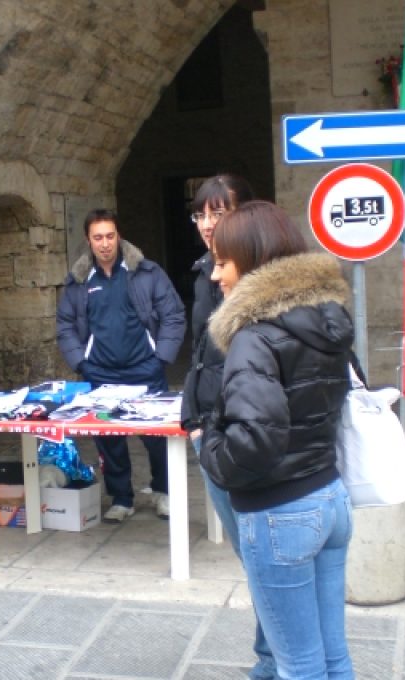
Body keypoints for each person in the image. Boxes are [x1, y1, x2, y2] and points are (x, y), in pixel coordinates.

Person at [200, 200, 355, 679]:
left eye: (222, 263)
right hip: (329, 499)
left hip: (280, 512)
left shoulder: (254, 334)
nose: (215, 276)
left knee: (300, 667)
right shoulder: (325, 319)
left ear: (250, 262)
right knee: (332, 658)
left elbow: (255, 439)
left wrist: (210, 451)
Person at [178, 175, 276, 680]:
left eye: (220, 213)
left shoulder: (259, 277)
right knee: (250, 556)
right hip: (209, 428)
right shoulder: (204, 273)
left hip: (237, 433)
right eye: (201, 215)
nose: (209, 225)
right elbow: (202, 350)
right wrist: (193, 419)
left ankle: (273, 661)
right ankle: (272, 657)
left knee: (262, 556)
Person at [57, 209, 185, 522]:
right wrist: (81, 363)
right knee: (109, 440)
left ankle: (163, 491)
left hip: (145, 369)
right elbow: (65, 325)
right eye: (98, 237)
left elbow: (173, 314)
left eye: (110, 236)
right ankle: (121, 498)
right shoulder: (78, 281)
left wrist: (162, 358)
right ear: (88, 240)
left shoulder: (146, 272)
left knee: (156, 437)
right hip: (100, 373)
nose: (105, 244)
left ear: (119, 236)